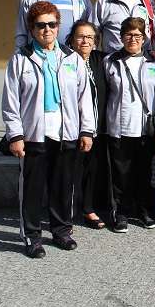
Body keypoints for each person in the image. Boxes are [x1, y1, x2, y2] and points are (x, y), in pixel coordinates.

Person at [2, 1, 94, 258]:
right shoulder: (20, 59)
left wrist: (87, 131)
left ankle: (61, 231)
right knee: (32, 189)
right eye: (41, 25)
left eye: (52, 24)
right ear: (31, 29)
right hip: (34, 133)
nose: (47, 30)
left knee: (63, 186)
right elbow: (10, 101)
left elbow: (84, 97)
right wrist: (15, 135)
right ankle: (31, 236)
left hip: (66, 133)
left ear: (58, 26)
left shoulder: (71, 58)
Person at [103, 17, 155, 233]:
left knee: (144, 172)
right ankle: (121, 213)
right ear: (121, 37)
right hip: (119, 126)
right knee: (120, 173)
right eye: (128, 35)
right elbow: (106, 92)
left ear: (145, 38)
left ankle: (145, 210)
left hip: (146, 127)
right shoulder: (110, 61)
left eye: (138, 35)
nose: (133, 39)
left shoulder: (154, 62)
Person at [66, 21, 110, 230]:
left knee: (92, 170)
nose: (85, 41)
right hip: (71, 128)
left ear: (96, 42)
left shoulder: (101, 60)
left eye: (89, 37)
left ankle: (88, 208)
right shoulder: (65, 61)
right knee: (70, 170)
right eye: (80, 36)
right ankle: (66, 212)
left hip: (97, 128)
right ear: (72, 39)